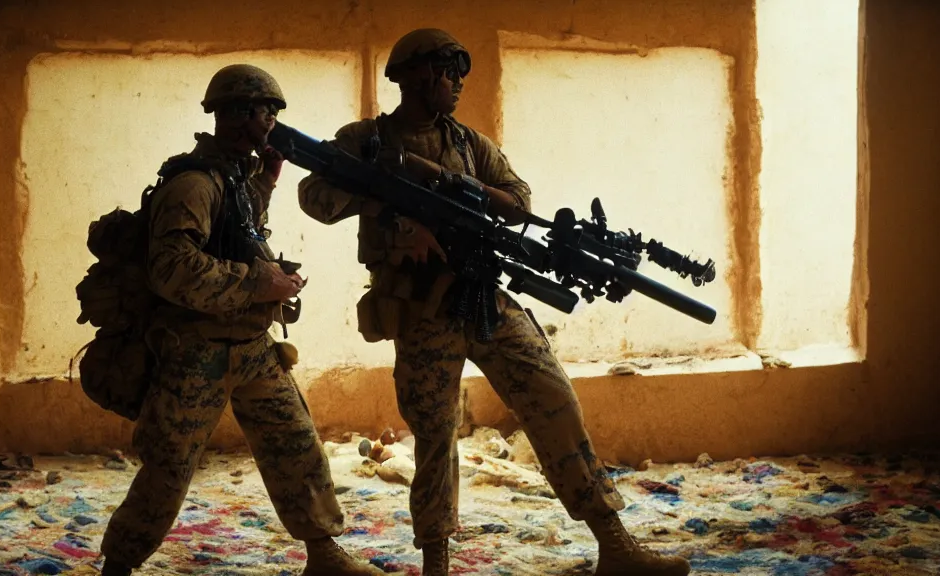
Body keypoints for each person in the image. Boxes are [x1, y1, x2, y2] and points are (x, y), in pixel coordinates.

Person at [297, 29, 692, 576]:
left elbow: (519, 201)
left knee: (553, 400)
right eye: (448, 73)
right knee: (435, 437)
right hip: (421, 307)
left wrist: (449, 184)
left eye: (460, 75)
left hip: (482, 294)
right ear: (416, 76)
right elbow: (314, 197)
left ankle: (614, 544)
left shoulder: (466, 144)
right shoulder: (365, 140)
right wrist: (389, 205)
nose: (457, 84)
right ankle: (437, 562)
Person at [99, 64, 383, 576]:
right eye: (263, 112)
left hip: (250, 344)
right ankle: (118, 563)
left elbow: (238, 235)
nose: (270, 121)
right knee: (169, 468)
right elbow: (171, 268)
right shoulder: (192, 184)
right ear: (234, 115)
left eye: (273, 112)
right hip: (196, 352)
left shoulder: (235, 176)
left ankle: (322, 553)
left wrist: (267, 186)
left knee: (296, 446)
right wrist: (260, 283)